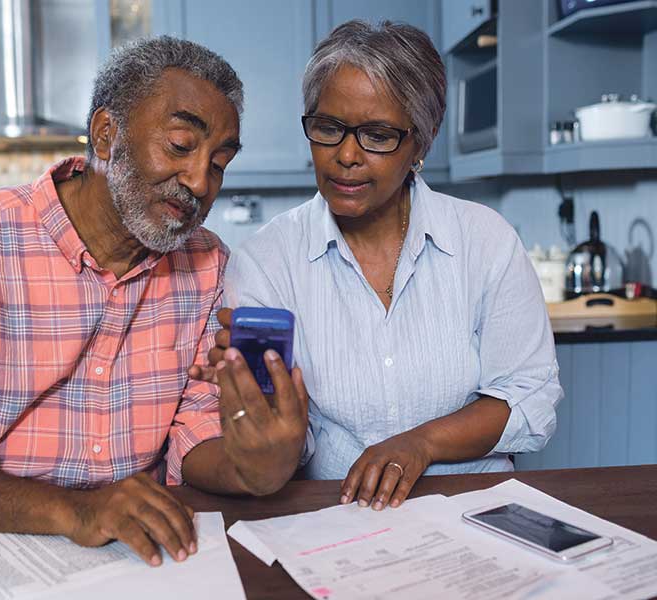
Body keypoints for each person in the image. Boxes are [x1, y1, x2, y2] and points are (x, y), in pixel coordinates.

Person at [0, 37, 308, 566]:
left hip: (138, 556)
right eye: (181, 145)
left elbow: (197, 437)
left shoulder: (208, 266)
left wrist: (257, 465)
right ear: (105, 134)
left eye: (220, 161)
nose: (199, 181)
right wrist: (78, 512)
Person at [192, 20, 561, 512]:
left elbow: (530, 398)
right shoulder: (267, 261)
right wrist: (260, 409)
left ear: (422, 142)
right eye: (328, 128)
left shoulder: (484, 241)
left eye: (378, 135)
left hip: (477, 511)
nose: (346, 155)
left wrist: (420, 443)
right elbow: (280, 444)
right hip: (336, 516)